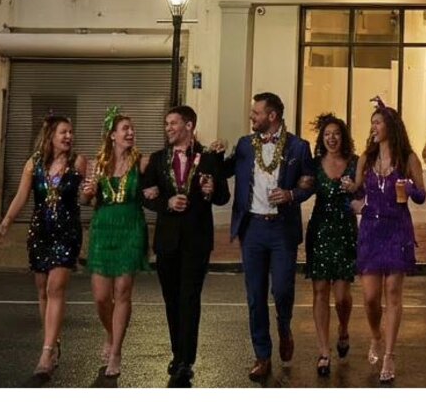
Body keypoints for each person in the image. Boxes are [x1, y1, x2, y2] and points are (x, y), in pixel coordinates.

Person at [223, 91, 316, 381]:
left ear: (272, 116)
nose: (252, 117)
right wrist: (215, 153)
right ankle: (262, 355)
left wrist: (291, 194)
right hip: (251, 229)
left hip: (281, 229)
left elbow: (310, 182)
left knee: (283, 290)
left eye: (257, 113)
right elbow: (224, 169)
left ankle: (284, 326)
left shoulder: (298, 147)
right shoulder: (244, 145)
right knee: (255, 295)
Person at [139, 104, 229, 388]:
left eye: (173, 123)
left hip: (196, 240)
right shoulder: (157, 159)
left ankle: (185, 360)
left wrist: (212, 190)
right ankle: (177, 351)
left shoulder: (210, 158)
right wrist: (164, 202)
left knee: (189, 298)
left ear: (189, 126)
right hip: (167, 240)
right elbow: (144, 193)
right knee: (172, 299)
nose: (168, 128)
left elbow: (223, 197)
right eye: (166, 124)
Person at [0, 114, 90, 380]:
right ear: (50, 136)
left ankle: (46, 353)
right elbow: (22, 196)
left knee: (55, 287)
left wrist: (89, 193)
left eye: (71, 132)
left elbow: (84, 197)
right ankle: (54, 341)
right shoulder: (33, 163)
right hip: (40, 233)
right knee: (43, 291)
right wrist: (6, 222)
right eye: (64, 132)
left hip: (67, 233)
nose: (69, 137)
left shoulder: (79, 162)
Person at [351, 97, 426, 386]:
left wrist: (408, 187)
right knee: (371, 297)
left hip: (397, 229)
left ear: (390, 126)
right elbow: (356, 194)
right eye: (372, 123)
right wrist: (354, 199)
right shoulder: (366, 159)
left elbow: (421, 196)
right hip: (371, 230)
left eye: (378, 122)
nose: (373, 127)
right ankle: (375, 336)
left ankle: (389, 355)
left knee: (393, 292)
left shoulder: (408, 159)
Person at [81, 108, 150, 380]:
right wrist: (87, 194)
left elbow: (158, 178)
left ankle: (117, 350)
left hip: (131, 227)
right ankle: (110, 333)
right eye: (125, 129)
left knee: (122, 292)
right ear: (112, 135)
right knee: (100, 297)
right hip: (103, 229)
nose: (130, 133)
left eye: (132, 129)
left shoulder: (141, 162)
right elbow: (88, 200)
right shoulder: (97, 164)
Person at [304, 114, 360, 378]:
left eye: (336, 133)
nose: (332, 138)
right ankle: (324, 351)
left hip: (345, 230)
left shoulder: (355, 163)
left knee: (341, 296)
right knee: (319, 291)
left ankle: (344, 329)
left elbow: (365, 192)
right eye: (327, 134)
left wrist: (354, 189)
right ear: (322, 138)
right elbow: (302, 187)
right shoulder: (314, 164)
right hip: (321, 229)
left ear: (343, 136)